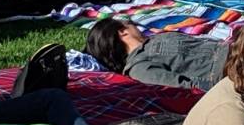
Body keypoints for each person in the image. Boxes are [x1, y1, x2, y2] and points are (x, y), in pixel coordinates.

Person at [86, 17, 231, 90]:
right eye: (130, 22)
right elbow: (185, 88)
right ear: (123, 32)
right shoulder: (138, 68)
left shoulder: (154, 40)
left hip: (234, 50)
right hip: (229, 70)